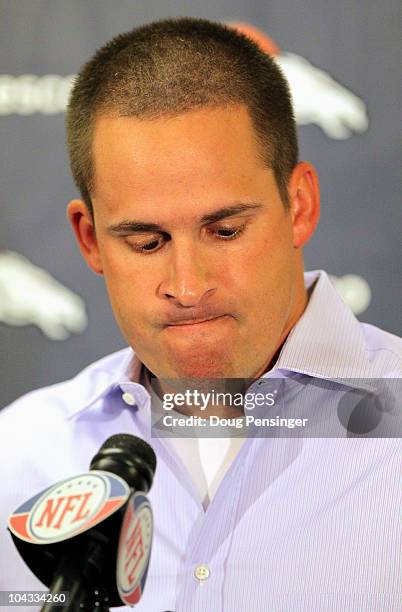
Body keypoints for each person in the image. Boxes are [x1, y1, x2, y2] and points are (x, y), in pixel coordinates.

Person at [1, 17, 401, 612]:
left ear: (300, 205)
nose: (187, 287)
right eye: (146, 242)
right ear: (89, 241)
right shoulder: (18, 453)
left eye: (225, 230)